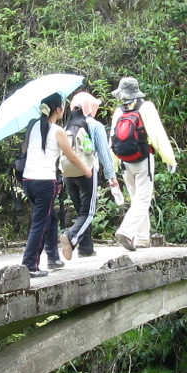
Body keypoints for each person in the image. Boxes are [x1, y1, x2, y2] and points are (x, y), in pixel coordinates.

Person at [20, 93, 91, 278]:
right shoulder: (57, 131)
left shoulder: (32, 125)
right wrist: (86, 170)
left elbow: (24, 150)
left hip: (28, 181)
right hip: (45, 183)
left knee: (49, 218)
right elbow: (72, 156)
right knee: (39, 224)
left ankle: (52, 257)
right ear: (58, 109)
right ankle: (29, 265)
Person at [110, 77, 177, 251]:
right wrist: (169, 158)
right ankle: (126, 231)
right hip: (143, 159)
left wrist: (113, 165)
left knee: (136, 199)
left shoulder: (118, 110)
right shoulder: (146, 107)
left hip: (125, 161)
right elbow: (158, 134)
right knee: (143, 198)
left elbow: (113, 138)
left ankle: (142, 238)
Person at [59, 91, 122, 259]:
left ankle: (86, 248)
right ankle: (71, 235)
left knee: (81, 211)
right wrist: (111, 176)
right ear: (89, 107)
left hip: (68, 173)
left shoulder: (67, 126)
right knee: (88, 213)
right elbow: (104, 153)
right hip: (87, 171)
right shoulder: (94, 125)